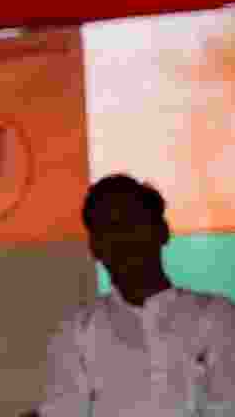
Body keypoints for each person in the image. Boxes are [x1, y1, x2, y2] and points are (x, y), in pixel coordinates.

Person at [27, 174, 235, 416]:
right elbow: (62, 411)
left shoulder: (215, 317)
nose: (123, 238)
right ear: (95, 248)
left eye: (132, 222)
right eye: (109, 229)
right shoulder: (78, 330)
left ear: (162, 231)